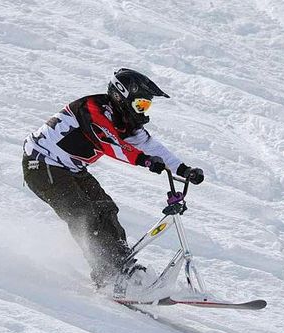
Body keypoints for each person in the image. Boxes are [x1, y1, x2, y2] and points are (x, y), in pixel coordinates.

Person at [22, 68, 204, 287]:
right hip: (42, 166)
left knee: (106, 209)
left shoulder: (125, 121)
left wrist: (184, 170)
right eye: (140, 105)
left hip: (70, 168)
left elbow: (150, 146)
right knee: (83, 213)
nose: (143, 112)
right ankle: (108, 274)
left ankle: (122, 266)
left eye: (146, 106)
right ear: (121, 96)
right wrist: (144, 160)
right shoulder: (93, 109)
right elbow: (110, 144)